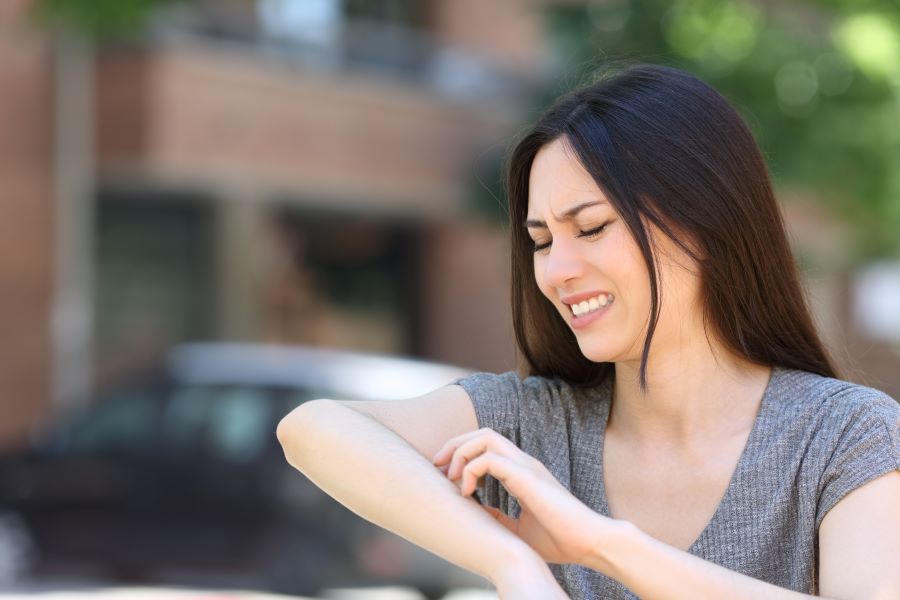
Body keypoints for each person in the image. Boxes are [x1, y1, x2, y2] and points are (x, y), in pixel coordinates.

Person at [276, 64, 900, 599]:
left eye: (592, 227)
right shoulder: (536, 426)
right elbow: (312, 428)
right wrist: (512, 561)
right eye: (542, 241)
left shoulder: (843, 436)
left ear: (704, 222)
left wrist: (601, 544)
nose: (558, 272)